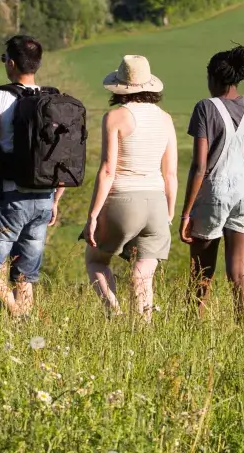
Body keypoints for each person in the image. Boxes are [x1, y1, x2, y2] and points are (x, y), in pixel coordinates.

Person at [0, 35, 66, 317]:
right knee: (25, 275)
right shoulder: (53, 99)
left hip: (8, 196)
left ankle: (18, 318)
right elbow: (62, 155)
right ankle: (27, 332)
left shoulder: (1, 97)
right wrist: (56, 198)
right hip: (44, 198)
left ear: (10, 62)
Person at [80, 55, 177, 319]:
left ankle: (114, 314)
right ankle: (142, 331)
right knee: (142, 274)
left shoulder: (115, 117)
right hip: (157, 202)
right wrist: (168, 213)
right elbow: (170, 172)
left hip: (122, 200)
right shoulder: (166, 119)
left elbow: (109, 169)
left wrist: (92, 216)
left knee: (96, 260)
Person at [179, 45, 244, 320]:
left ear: (212, 78)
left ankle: (192, 325)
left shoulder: (205, 108)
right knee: (240, 272)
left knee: (202, 271)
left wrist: (186, 213)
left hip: (214, 191)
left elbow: (199, 166)